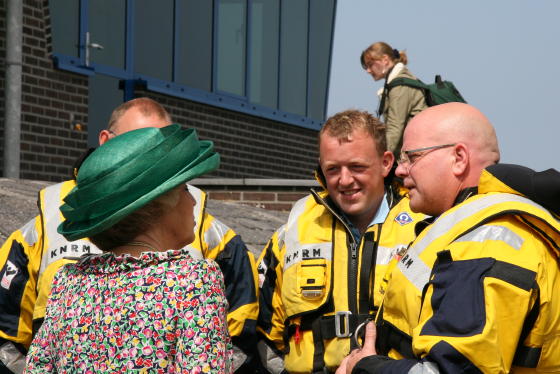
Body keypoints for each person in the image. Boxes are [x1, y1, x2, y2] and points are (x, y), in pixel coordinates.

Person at [0, 98, 259, 373]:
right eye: (184, 189)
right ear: (159, 207)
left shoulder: (68, 283)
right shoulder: (193, 282)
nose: (194, 200)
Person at [336, 102, 560, 373]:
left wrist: (366, 367)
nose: (399, 170)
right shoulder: (475, 227)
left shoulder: (485, 245)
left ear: (459, 158)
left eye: (412, 157)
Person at [256, 110, 425, 373]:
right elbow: (264, 329)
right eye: (332, 169)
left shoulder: (424, 226)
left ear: (386, 162)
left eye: (357, 167)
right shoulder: (292, 232)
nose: (344, 180)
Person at [360, 41, 427, 159]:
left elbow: (395, 129)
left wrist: (377, 159)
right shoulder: (399, 82)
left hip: (415, 157)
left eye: (370, 64)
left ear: (385, 60)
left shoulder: (399, 86)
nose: (368, 70)